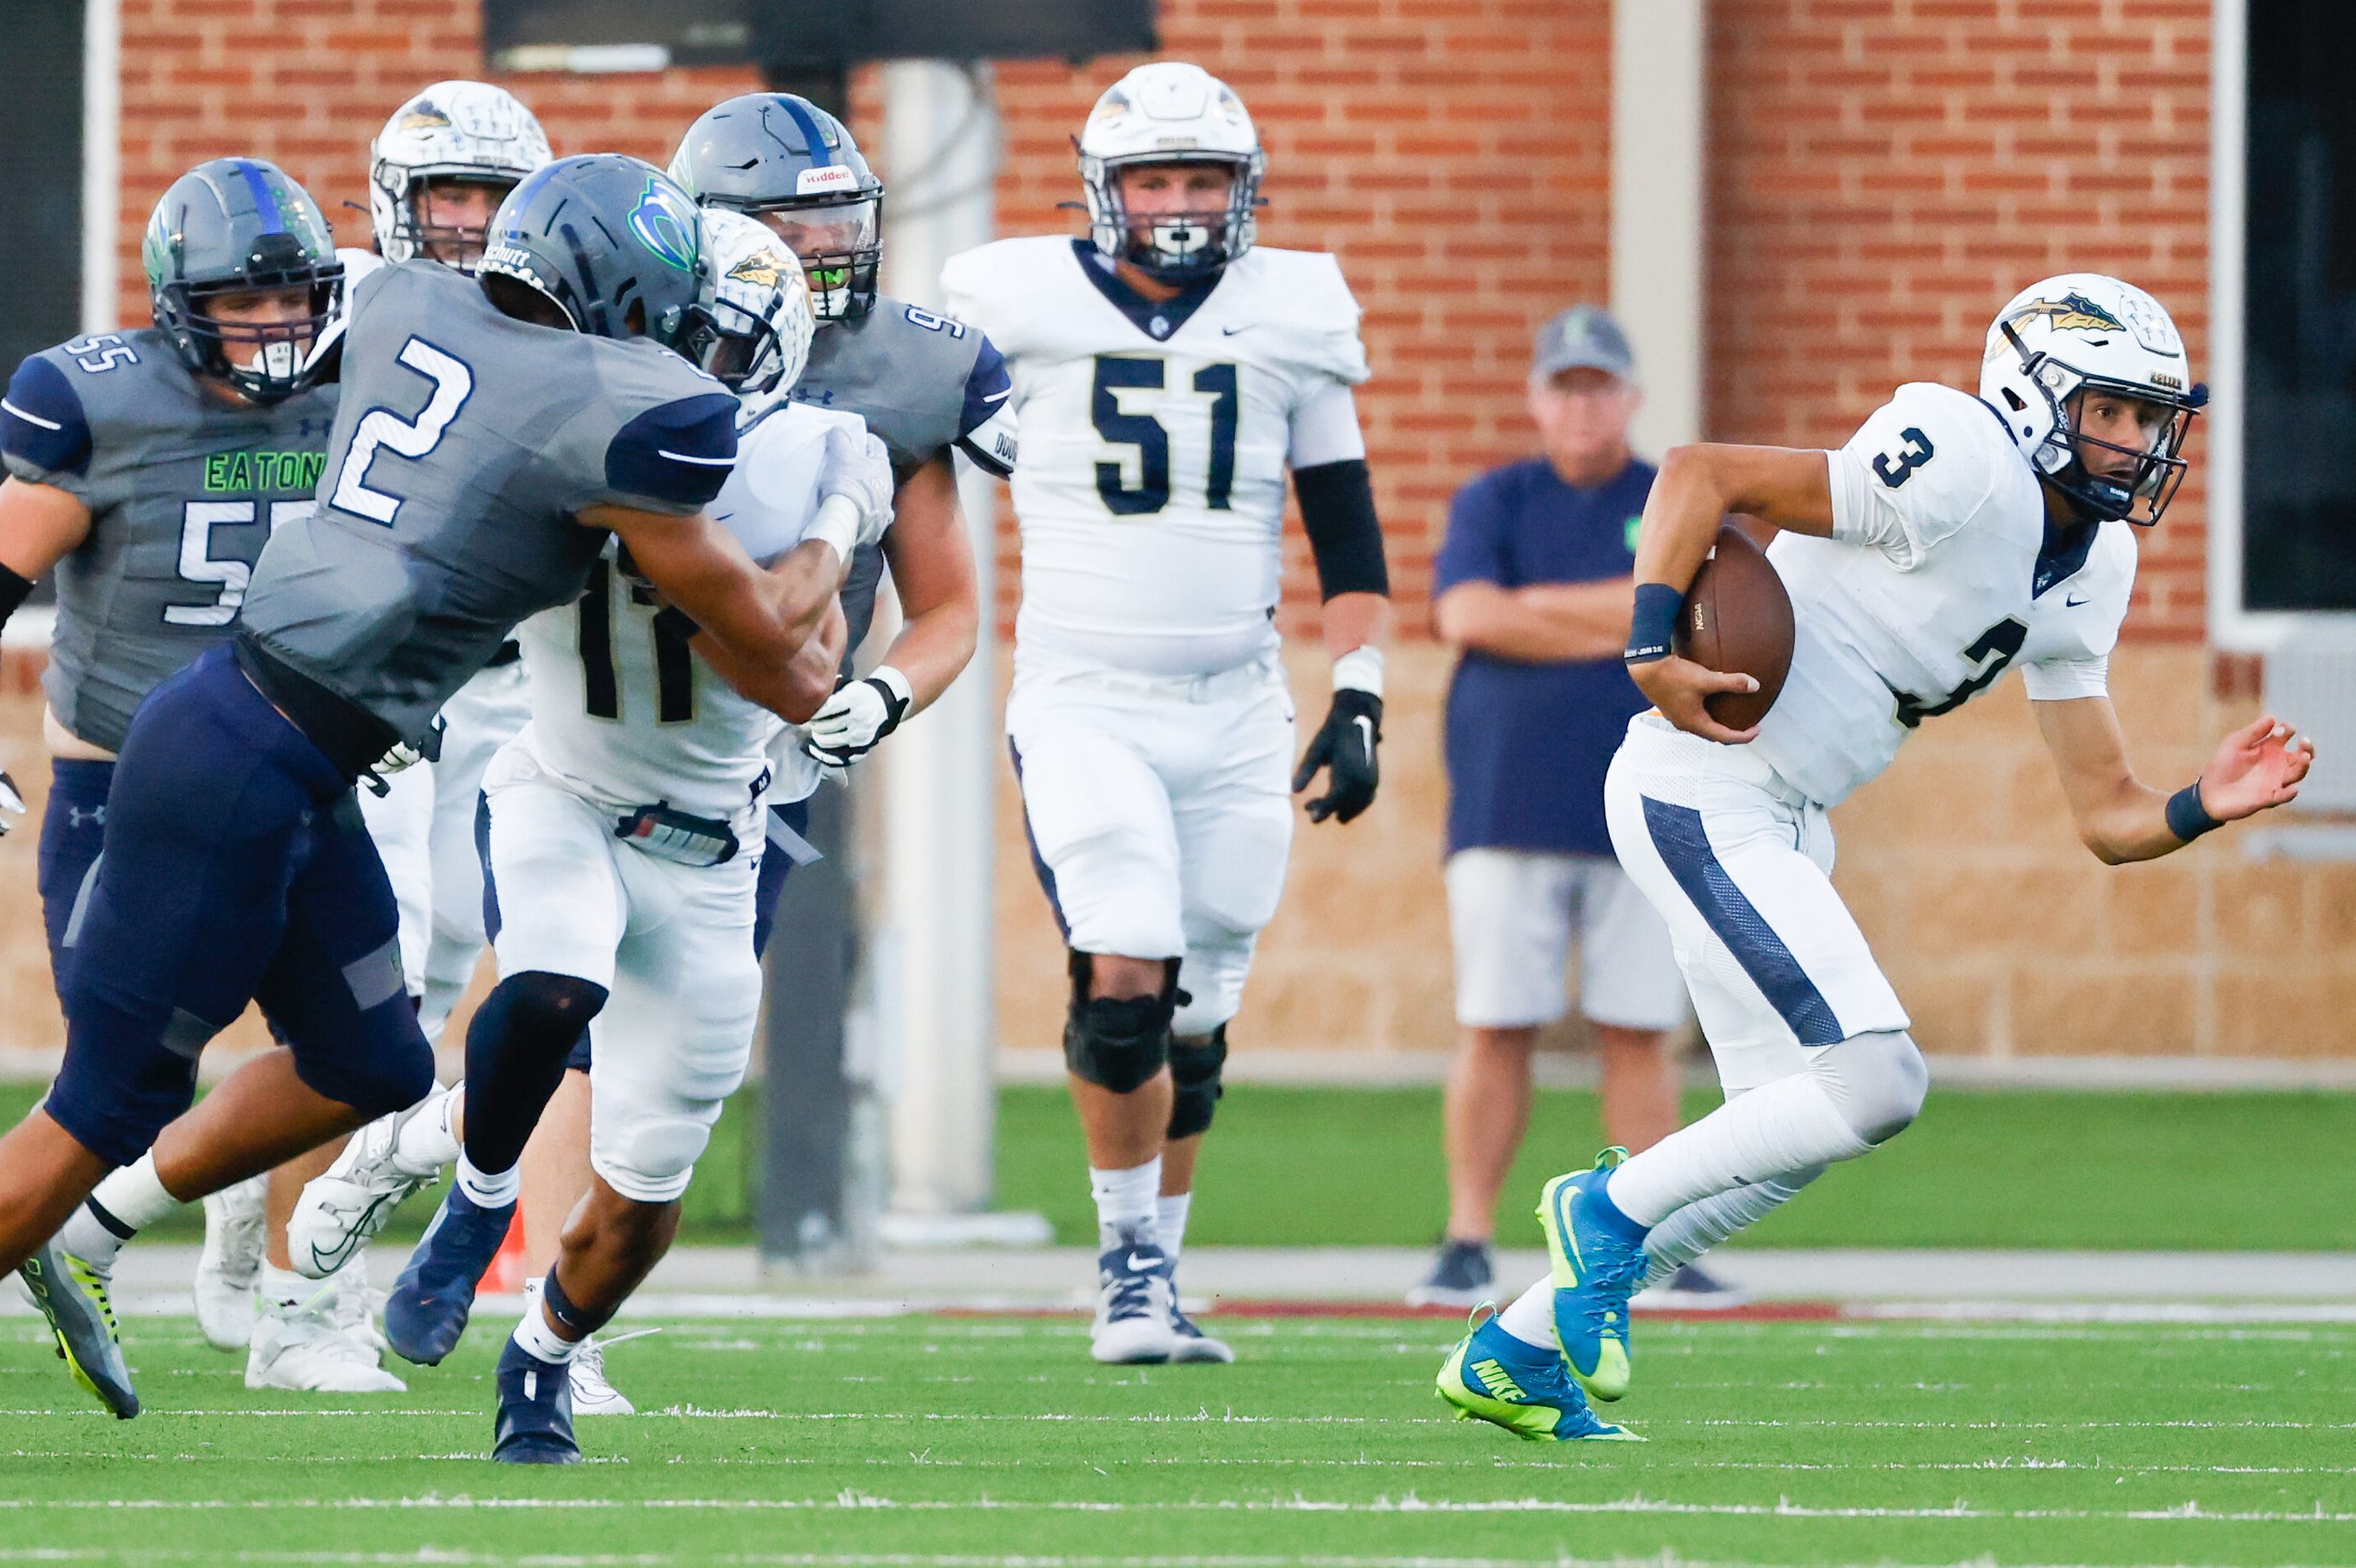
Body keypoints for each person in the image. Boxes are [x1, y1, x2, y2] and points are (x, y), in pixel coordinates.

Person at [0, 154, 853, 1474]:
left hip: (291, 750)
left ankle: (87, 1224)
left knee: (378, 1062)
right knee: (109, 1093)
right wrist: (840, 520)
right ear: (626, 292)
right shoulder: (622, 405)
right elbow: (788, 668)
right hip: (235, 757)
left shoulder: (406, 298)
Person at [1436, 274, 2314, 1444]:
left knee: (1780, 1137)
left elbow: (2104, 814)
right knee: (1880, 1080)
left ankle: (1517, 1350)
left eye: (2151, 420)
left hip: (1787, 814)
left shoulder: (2096, 564)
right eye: (2112, 411)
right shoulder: (1960, 453)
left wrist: (2203, 801)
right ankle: (1597, 1206)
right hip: (1704, 786)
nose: (2136, 442)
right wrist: (1651, 643)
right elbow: (1700, 472)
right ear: (2037, 394)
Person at [282, 89, 1009, 1414]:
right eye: (776, 228)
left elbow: (916, 620)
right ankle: (494, 1251)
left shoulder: (862, 413)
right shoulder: (585, 408)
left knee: (653, 1125)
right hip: (569, 757)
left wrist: (883, 682)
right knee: (557, 999)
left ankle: (485, 1225)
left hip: (739, 792)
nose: (809, 253)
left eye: (828, 222)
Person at [395, 215, 886, 1464]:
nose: (692, 360)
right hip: (563, 786)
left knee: (644, 1206)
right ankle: (477, 1204)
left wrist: (827, 526)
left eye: (721, 340)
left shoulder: (804, 453)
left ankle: (544, 1359)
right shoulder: (573, 432)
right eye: (680, 332)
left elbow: (804, 678)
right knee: (556, 981)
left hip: (714, 845)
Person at [943, 61, 1393, 1365]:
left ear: (1243, 189)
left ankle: (1159, 1274)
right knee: (1126, 961)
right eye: (1157, 178)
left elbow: (1350, 544)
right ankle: (1125, 1271)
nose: (1182, 202)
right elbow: (911, 441)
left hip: (1238, 703)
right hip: (1085, 690)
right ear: (1108, 190)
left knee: (1197, 1018)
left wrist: (1357, 695)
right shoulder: (1004, 297)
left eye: (1204, 177)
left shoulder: (1295, 312)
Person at [190, 78, 560, 1399]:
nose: (468, 223)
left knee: (458, 962)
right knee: (381, 992)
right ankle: (307, 1308)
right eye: (448, 194)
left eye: (492, 197)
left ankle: (247, 1195)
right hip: (386, 682)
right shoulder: (339, 296)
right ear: (400, 203)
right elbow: (233, 441)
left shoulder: (565, 300)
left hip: (517, 684)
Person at [1410, 306, 1703, 1310]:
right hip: (1507, 802)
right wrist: (1630, 617)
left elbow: (1703, 620)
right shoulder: (1496, 497)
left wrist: (1541, 608)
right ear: (1539, 398)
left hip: (1648, 804)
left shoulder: (1669, 496)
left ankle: (1649, 1238)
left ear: (1628, 396)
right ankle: (1465, 1236)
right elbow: (1467, 614)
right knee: (1496, 1021)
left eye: (1599, 386)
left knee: (1637, 1027)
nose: (1582, 405)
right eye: (1564, 386)